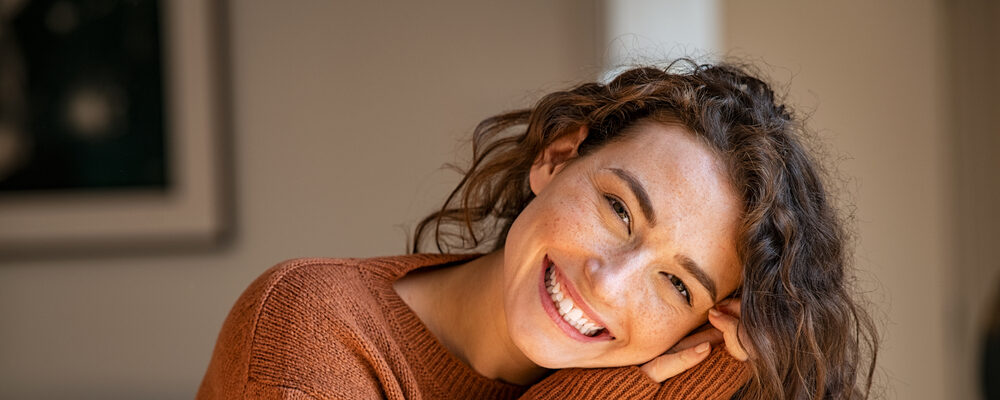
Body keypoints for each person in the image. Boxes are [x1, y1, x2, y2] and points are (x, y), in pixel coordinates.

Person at [197, 60, 878, 399]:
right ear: (556, 158)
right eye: (619, 210)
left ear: (702, 326)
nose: (609, 283)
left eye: (674, 283)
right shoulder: (313, 327)